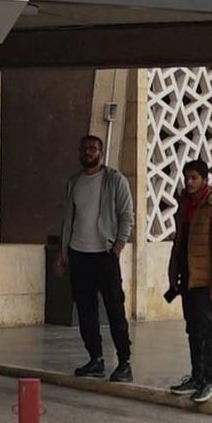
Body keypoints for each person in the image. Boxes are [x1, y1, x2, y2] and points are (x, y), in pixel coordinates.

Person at [56, 133, 134, 383]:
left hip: (105, 254)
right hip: (79, 255)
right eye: (85, 148)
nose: (88, 152)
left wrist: (118, 247)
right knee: (86, 311)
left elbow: (126, 215)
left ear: (101, 153)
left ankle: (124, 362)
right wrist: (63, 252)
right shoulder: (74, 182)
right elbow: (68, 219)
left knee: (114, 309)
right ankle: (95, 359)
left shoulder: (114, 180)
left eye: (93, 148)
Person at [165, 158, 212, 404]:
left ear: (204, 179)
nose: (189, 182)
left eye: (194, 178)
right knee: (192, 329)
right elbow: (179, 242)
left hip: (204, 279)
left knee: (208, 329)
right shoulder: (186, 205)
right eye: (187, 177)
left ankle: (209, 381)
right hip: (188, 277)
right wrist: (174, 275)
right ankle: (196, 376)